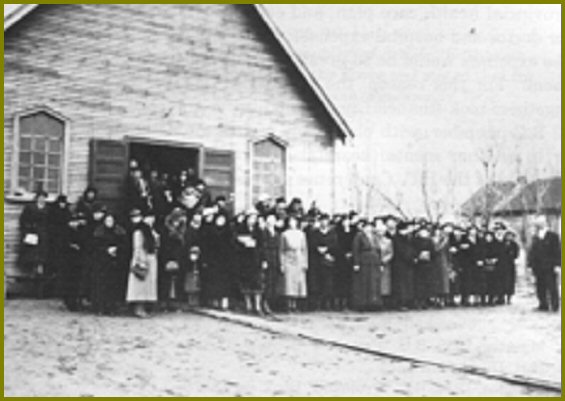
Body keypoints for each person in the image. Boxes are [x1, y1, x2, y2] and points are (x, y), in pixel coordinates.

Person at [91, 213, 127, 315]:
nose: (109, 223)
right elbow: (95, 246)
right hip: (102, 262)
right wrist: (106, 250)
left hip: (115, 262)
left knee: (114, 285)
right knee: (101, 285)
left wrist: (117, 249)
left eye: (111, 221)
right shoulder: (99, 232)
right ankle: (100, 307)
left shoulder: (120, 231)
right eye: (107, 221)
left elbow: (124, 245)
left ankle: (112, 307)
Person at [126, 210, 159, 318]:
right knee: (139, 284)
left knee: (147, 286)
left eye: (153, 218)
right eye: (149, 218)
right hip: (142, 259)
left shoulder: (151, 231)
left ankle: (145, 306)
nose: (151, 220)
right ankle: (138, 308)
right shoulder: (139, 231)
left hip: (151, 258)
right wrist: (140, 261)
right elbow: (137, 248)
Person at [19, 191, 50, 297]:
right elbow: (23, 221)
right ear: (37, 198)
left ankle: (40, 291)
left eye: (44, 198)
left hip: (44, 238)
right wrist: (28, 231)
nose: (42, 199)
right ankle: (31, 289)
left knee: (41, 263)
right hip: (32, 237)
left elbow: (51, 223)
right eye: (40, 197)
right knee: (32, 262)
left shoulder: (48, 209)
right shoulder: (30, 208)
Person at [527, 216, 561, 312]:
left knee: (551, 286)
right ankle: (543, 304)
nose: (539, 224)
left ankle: (555, 306)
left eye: (541, 222)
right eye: (537, 223)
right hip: (538, 267)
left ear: (545, 223)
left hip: (550, 266)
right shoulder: (535, 237)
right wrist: (530, 265)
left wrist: (558, 265)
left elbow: (557, 251)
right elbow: (532, 252)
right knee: (540, 286)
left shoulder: (553, 236)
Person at [203, 214, 234, 310]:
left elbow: (231, 244)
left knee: (225, 281)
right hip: (213, 260)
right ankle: (214, 301)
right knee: (214, 281)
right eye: (219, 219)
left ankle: (224, 302)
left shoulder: (228, 232)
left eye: (223, 219)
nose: (220, 221)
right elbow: (207, 246)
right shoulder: (210, 231)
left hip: (225, 260)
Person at [60, 210, 88, 311]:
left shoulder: (82, 231)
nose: (75, 223)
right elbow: (61, 245)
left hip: (79, 260)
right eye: (73, 221)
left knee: (78, 281)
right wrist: (70, 245)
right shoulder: (65, 231)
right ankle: (69, 302)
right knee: (69, 281)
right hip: (68, 261)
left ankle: (77, 300)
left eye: (77, 221)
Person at [161, 207, 188, 311]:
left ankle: (177, 303)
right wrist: (168, 259)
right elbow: (164, 245)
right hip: (168, 257)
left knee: (178, 281)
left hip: (180, 257)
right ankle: (165, 303)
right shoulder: (166, 229)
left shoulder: (183, 228)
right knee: (166, 281)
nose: (177, 221)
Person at [236, 213, 263, 314]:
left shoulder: (258, 231)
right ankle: (248, 305)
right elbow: (235, 244)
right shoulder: (241, 230)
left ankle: (257, 306)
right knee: (246, 283)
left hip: (255, 259)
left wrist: (262, 258)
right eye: (250, 218)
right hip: (245, 260)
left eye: (254, 218)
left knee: (257, 283)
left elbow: (262, 245)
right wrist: (244, 244)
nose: (252, 220)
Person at [280, 216, 309, 312]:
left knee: (298, 282)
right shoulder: (284, 234)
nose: (292, 223)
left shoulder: (301, 234)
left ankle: (295, 304)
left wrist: (305, 262)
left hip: (299, 258)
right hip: (289, 258)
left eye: (294, 221)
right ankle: (288, 304)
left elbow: (304, 249)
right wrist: (282, 263)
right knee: (289, 282)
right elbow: (281, 250)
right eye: (291, 221)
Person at [351, 220, 382, 310]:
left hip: (374, 262)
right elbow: (355, 250)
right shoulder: (359, 236)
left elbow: (379, 250)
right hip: (364, 261)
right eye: (367, 227)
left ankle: (374, 303)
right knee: (364, 282)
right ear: (363, 228)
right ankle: (362, 303)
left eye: (370, 227)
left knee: (374, 283)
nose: (369, 229)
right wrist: (356, 263)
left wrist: (380, 263)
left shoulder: (375, 237)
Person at [310, 214, 338, 310]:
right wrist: (319, 249)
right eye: (322, 221)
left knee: (329, 282)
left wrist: (328, 250)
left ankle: (328, 304)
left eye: (325, 221)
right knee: (318, 282)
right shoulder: (315, 233)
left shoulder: (332, 233)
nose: (324, 223)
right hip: (317, 260)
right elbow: (312, 244)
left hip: (329, 259)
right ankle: (318, 304)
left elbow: (335, 245)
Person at [258, 214, 281, 313]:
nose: (271, 223)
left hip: (275, 258)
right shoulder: (264, 233)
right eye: (269, 221)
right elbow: (262, 247)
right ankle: (263, 303)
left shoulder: (276, 234)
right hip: (267, 258)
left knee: (273, 283)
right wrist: (264, 260)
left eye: (273, 221)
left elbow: (278, 248)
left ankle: (270, 304)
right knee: (267, 282)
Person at [390, 221, 416, 310]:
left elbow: (412, 249)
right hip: (400, 264)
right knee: (400, 285)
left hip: (408, 264)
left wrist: (413, 257)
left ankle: (408, 302)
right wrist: (410, 258)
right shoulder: (396, 238)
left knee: (408, 284)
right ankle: (400, 303)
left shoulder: (407, 238)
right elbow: (400, 251)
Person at [47, 195, 72, 284]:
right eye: (61, 203)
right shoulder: (53, 212)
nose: (62, 205)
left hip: (64, 240)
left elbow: (68, 223)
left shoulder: (67, 212)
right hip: (54, 240)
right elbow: (50, 225)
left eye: (64, 203)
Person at [335, 214, 356, 310]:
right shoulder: (338, 232)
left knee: (349, 281)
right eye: (344, 221)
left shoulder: (353, 232)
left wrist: (351, 253)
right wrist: (343, 253)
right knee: (340, 281)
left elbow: (355, 244)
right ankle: (339, 302)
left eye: (348, 221)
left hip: (351, 258)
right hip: (340, 259)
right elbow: (337, 244)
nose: (346, 223)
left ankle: (348, 302)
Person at [413, 225, 434, 309]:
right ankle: (418, 301)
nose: (424, 233)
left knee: (427, 283)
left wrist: (429, 254)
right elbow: (413, 250)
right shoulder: (415, 241)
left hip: (428, 264)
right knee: (418, 283)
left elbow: (433, 251)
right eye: (422, 231)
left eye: (425, 232)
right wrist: (418, 255)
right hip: (418, 264)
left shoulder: (430, 241)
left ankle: (425, 301)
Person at [375, 219, 394, 308]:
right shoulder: (373, 241)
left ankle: (385, 301)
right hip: (374, 264)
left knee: (385, 284)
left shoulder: (388, 241)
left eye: (382, 231)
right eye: (378, 231)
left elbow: (390, 253)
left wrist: (384, 260)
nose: (380, 233)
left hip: (385, 264)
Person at [499, 231, 519, 304]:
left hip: (510, 266)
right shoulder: (501, 244)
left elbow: (516, 255)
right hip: (502, 266)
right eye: (507, 236)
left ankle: (509, 298)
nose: (509, 238)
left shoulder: (514, 245)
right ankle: (501, 297)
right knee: (501, 282)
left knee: (510, 282)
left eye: (511, 236)